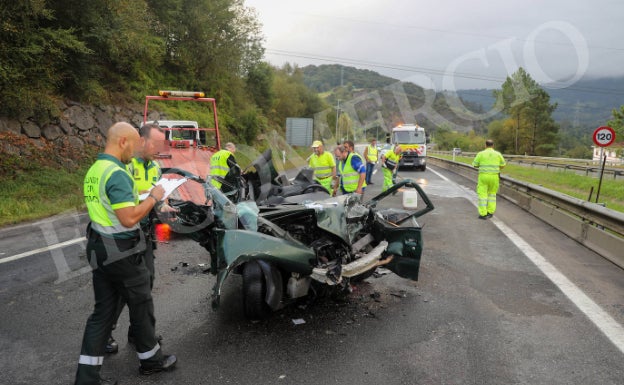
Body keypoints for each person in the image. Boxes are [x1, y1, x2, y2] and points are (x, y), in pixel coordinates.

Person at [75, 122, 176, 385]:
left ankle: (86, 378)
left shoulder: (95, 170)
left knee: (102, 313)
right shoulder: (117, 173)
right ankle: (151, 361)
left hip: (98, 245)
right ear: (123, 142)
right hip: (121, 248)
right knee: (141, 303)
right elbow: (129, 218)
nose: (135, 149)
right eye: (133, 144)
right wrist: (153, 198)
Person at [105, 124, 168, 354]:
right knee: (126, 288)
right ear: (141, 140)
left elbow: (159, 196)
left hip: (146, 233)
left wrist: (166, 205)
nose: (159, 149)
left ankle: (138, 332)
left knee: (147, 281)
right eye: (156, 143)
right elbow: (125, 204)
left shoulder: (156, 167)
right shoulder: (125, 166)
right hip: (126, 234)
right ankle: (106, 332)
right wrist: (150, 199)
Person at [472, 139, 506, 220]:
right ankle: (490, 212)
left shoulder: (481, 154)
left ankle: (483, 214)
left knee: (482, 195)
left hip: (483, 177)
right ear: (493, 145)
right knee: (492, 195)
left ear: (485, 145)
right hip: (494, 177)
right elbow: (503, 165)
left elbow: (475, 165)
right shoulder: (498, 154)